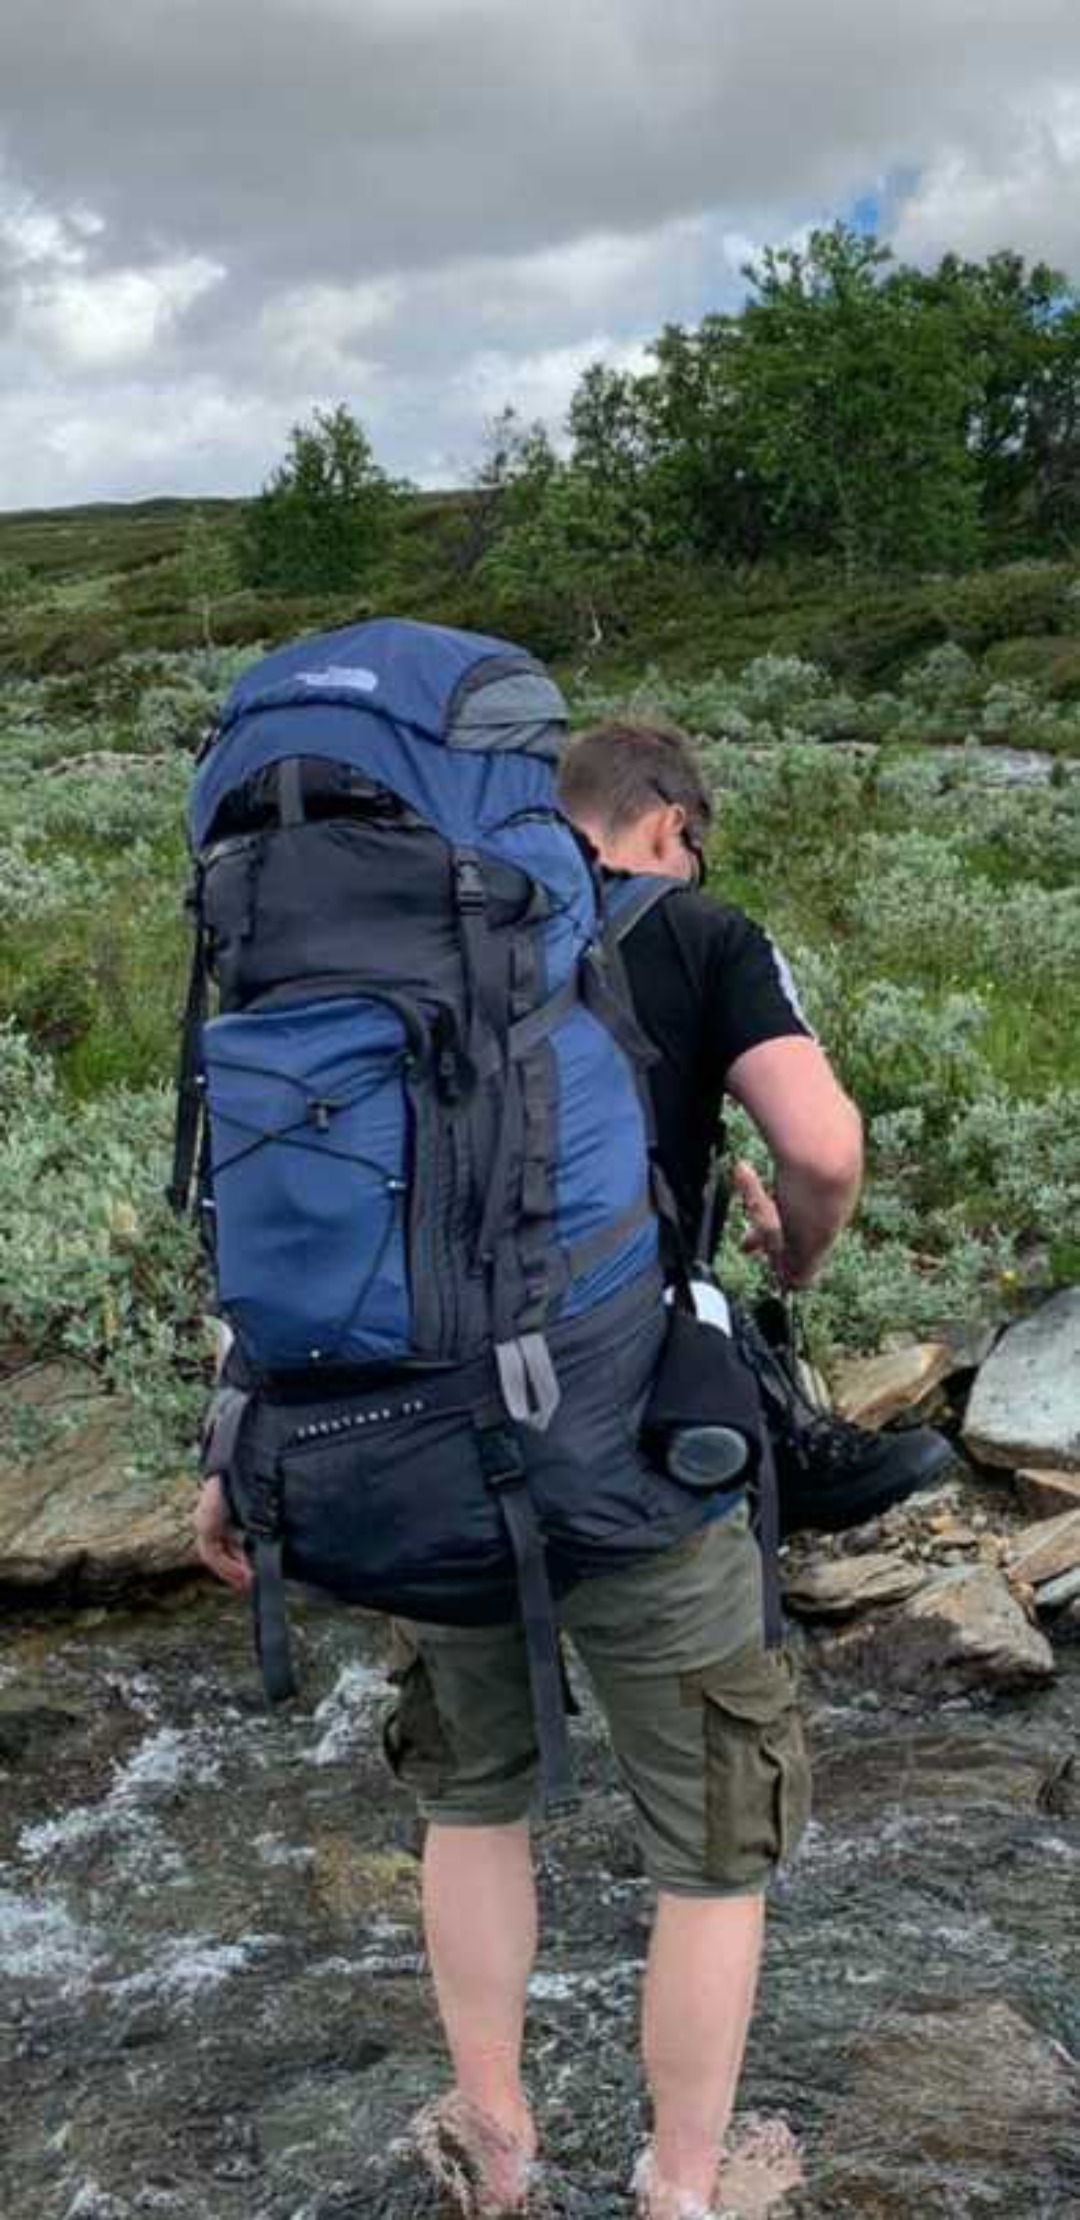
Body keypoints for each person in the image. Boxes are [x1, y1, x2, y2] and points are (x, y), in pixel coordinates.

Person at [194, 717, 870, 2217]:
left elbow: (294, 1225)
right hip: (640, 1456)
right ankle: (681, 2187)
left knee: (473, 1800)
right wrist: (796, 1256)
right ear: (670, 822)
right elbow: (821, 1148)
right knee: (712, 1847)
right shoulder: (703, 933)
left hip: (423, 1453)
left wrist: (232, 1444)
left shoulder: (393, 937)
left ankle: (496, 2144)